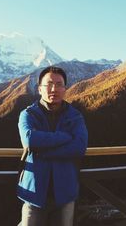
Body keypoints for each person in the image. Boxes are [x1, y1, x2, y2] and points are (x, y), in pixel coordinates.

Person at [17, 66, 88, 226]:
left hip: (65, 191)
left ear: (65, 88)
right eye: (49, 84)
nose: (54, 89)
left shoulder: (75, 116)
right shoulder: (28, 114)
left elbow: (79, 146)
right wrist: (64, 137)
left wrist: (42, 152)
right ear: (40, 89)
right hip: (34, 192)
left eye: (59, 84)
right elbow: (29, 140)